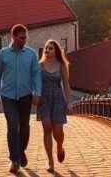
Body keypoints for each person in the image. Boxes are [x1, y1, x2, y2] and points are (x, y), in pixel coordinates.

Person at [0, 24, 41, 174]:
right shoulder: (3, 54)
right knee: (13, 125)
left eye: (25, 37)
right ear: (13, 37)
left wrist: (37, 93)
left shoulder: (31, 54)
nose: (24, 40)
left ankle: (21, 150)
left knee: (24, 126)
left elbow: (36, 74)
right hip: (8, 96)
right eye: (21, 38)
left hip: (26, 95)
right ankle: (14, 159)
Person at [37, 39, 73, 174]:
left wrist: (69, 101)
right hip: (44, 99)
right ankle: (50, 161)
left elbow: (66, 85)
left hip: (58, 99)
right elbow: (36, 82)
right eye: (46, 48)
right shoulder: (40, 65)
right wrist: (36, 95)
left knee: (58, 131)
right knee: (47, 129)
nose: (47, 50)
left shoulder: (62, 65)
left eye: (50, 48)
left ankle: (59, 146)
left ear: (56, 50)